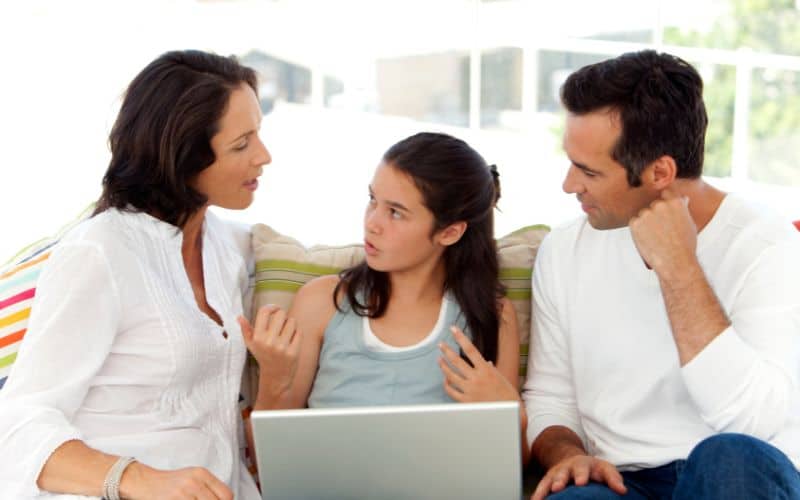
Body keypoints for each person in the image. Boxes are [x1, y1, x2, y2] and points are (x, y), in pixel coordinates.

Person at [0, 50, 284, 499]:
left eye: (259, 135)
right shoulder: (100, 254)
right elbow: (16, 426)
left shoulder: (225, 246)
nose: (263, 157)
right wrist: (137, 479)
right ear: (183, 156)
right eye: (241, 144)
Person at [523, 49, 800, 500]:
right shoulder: (564, 250)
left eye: (588, 170)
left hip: (736, 475)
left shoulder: (767, 246)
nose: (569, 185)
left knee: (729, 458)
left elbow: (751, 421)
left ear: (659, 172)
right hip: (621, 482)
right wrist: (566, 454)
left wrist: (679, 266)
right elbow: (551, 396)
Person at [239, 132, 529, 455]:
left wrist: (507, 412)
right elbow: (267, 459)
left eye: (395, 212)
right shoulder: (322, 302)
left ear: (450, 232)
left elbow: (513, 464)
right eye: (372, 200)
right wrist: (274, 377)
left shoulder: (491, 316)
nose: (372, 223)